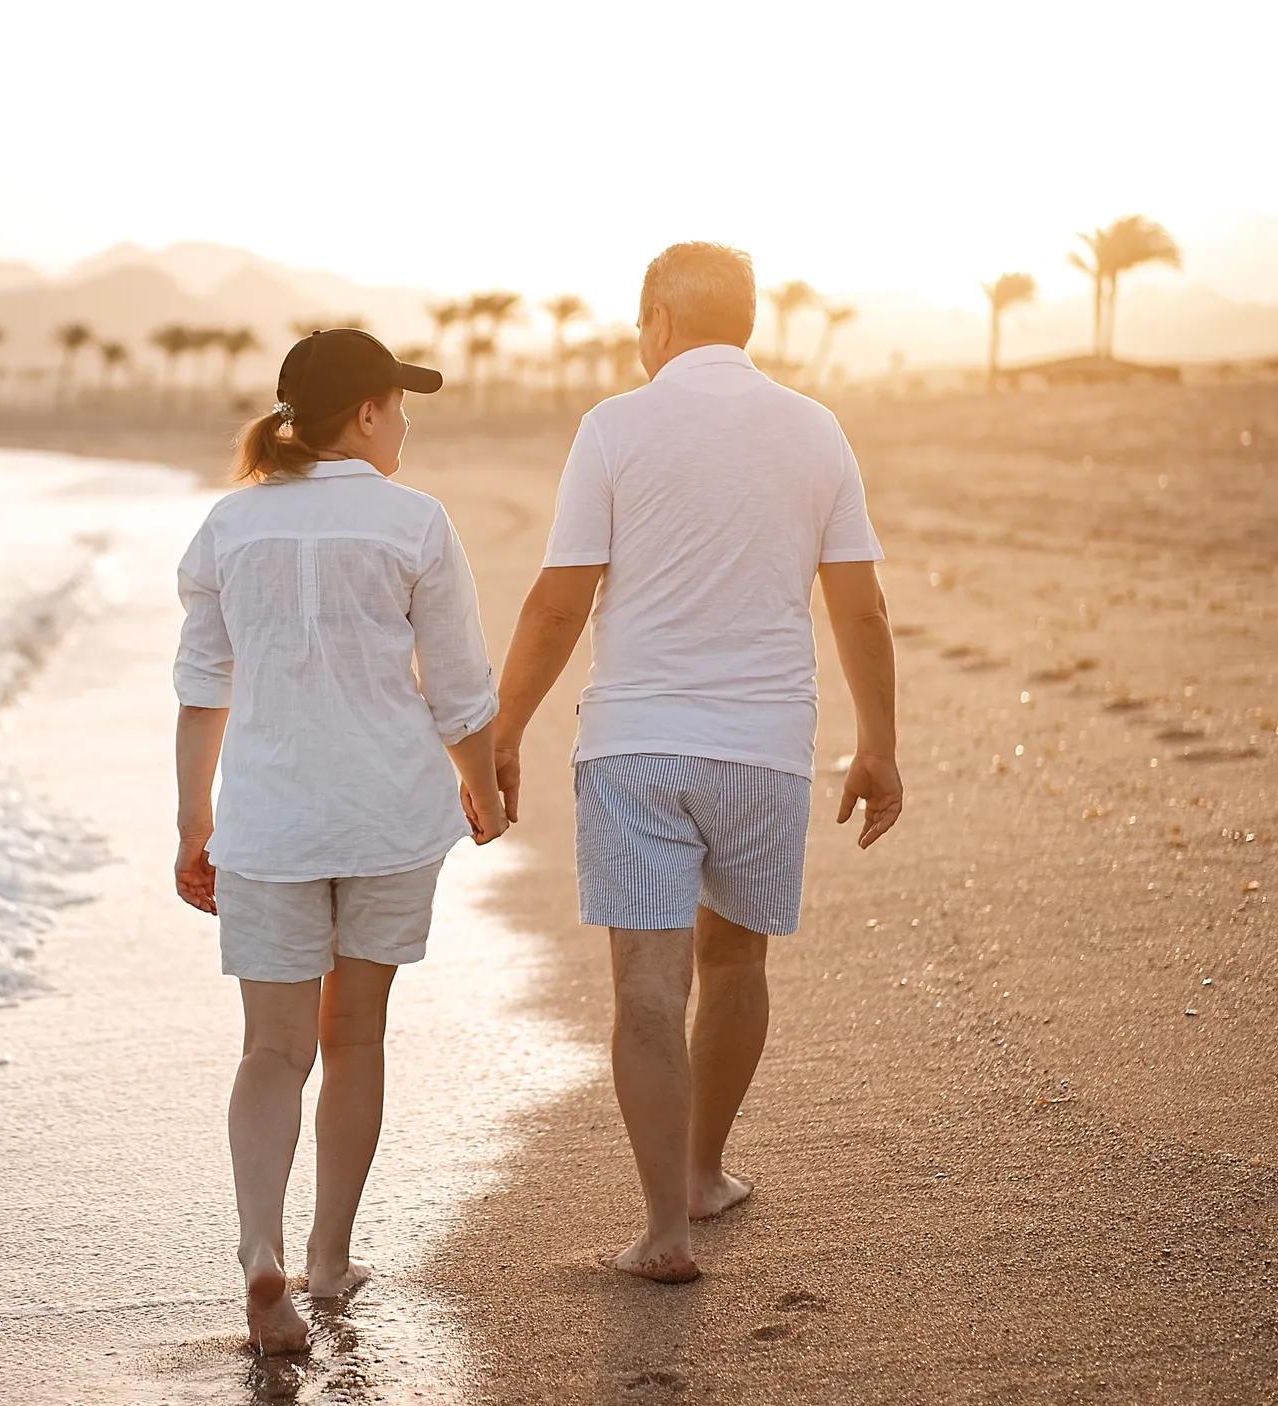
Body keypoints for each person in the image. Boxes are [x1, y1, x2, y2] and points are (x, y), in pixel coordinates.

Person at [489, 242, 902, 1283]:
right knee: (735, 962)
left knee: (645, 984)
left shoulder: (614, 427)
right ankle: (704, 1171)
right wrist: (878, 746)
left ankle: (663, 1231)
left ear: (659, 322)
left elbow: (559, 602)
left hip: (636, 745)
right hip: (765, 748)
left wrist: (502, 730)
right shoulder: (815, 428)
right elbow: (859, 605)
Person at [172, 329, 508, 1354]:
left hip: (268, 821)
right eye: (397, 406)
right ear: (366, 412)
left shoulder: (229, 524)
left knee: (271, 1049)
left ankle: (258, 1249)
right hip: (386, 816)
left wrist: (194, 823)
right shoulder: (414, 520)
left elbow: (202, 689)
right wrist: (483, 789)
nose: (403, 424)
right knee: (354, 1035)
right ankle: (327, 1259)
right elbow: (458, 688)